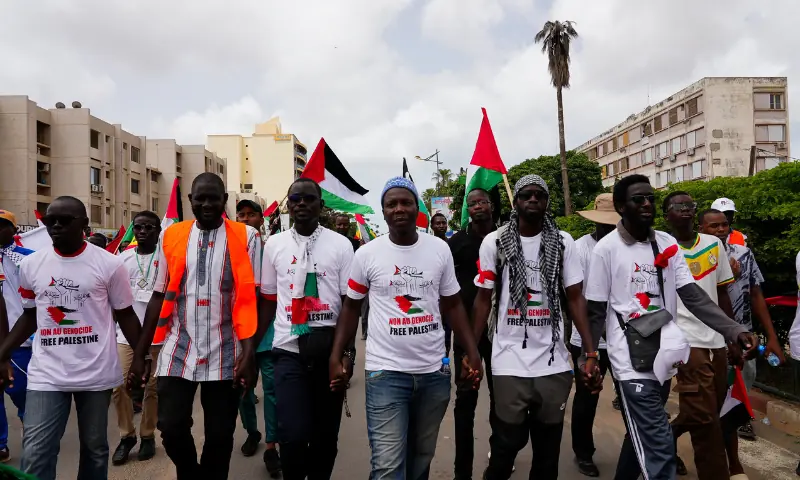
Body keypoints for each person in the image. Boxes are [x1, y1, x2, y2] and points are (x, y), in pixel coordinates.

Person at [584, 175, 757, 480]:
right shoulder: (606, 250)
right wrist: (590, 356)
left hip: (665, 356)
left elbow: (693, 296)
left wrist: (733, 330)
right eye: (639, 199)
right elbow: (596, 310)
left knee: (643, 435)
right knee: (659, 445)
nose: (647, 204)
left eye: (650, 197)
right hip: (629, 361)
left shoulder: (666, 244)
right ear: (622, 206)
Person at [330, 176, 482, 480]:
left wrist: (471, 352)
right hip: (385, 373)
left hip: (433, 374)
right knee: (388, 468)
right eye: (391, 204)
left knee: (420, 459)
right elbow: (350, 306)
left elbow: (452, 305)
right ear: (384, 211)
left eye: (406, 202)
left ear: (416, 208)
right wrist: (338, 353)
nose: (399, 208)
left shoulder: (439, 250)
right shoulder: (367, 254)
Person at [0, 196, 144, 480]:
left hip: (95, 374)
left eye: (64, 221)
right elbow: (30, 316)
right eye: (50, 220)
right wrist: (3, 353)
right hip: (47, 374)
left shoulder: (110, 264)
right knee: (37, 452)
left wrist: (141, 357)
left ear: (84, 225)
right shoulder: (31, 265)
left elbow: (125, 314)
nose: (55, 226)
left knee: (95, 449)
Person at [131, 173, 262, 480]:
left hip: (227, 350)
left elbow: (251, 298)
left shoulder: (248, 237)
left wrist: (249, 352)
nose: (206, 204)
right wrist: (141, 353)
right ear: (189, 200)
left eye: (213, 197)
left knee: (220, 436)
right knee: (171, 427)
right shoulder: (172, 235)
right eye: (199, 198)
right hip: (179, 348)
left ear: (224, 201)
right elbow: (159, 294)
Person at [472, 175, 598, 480]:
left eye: (539, 195)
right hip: (507, 356)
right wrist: (471, 351)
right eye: (526, 195)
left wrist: (590, 351)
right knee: (506, 442)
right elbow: (482, 300)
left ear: (546, 202)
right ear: (515, 202)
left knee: (547, 448)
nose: (532, 200)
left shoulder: (564, 241)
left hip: (552, 360)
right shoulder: (495, 241)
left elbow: (575, 297)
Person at [260, 179, 355, 480]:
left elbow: (349, 305)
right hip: (288, 350)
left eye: (309, 198)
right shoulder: (274, 244)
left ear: (321, 205)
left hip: (329, 349)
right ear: (289, 204)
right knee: (293, 435)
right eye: (296, 198)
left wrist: (345, 353)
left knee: (325, 437)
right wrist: (250, 348)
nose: (302, 203)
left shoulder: (341, 245)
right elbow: (269, 300)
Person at [663, 192, 737, 479]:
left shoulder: (713, 245)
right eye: (677, 206)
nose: (685, 210)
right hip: (684, 339)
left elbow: (721, 293)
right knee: (705, 418)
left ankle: (661, 437)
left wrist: (732, 333)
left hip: (716, 339)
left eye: (689, 205)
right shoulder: (662, 248)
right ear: (666, 213)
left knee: (708, 410)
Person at [700, 207, 784, 441]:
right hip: (710, 338)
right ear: (701, 229)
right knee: (710, 397)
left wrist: (772, 337)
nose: (720, 230)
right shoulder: (695, 257)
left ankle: (739, 423)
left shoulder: (743, 254)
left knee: (741, 388)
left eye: (724, 225)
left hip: (743, 335)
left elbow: (756, 294)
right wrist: (728, 279)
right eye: (713, 226)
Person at [568, 193, 619, 477]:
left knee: (636, 398)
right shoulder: (579, 249)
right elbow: (573, 296)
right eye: (605, 224)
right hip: (588, 339)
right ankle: (583, 453)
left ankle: (649, 449)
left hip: (625, 338)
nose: (610, 229)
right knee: (587, 398)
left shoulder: (627, 246)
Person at [447, 188, 497, 480]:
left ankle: (498, 458)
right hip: (466, 334)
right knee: (466, 401)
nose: (478, 206)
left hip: (503, 333)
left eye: (482, 202)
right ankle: (461, 470)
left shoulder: (505, 240)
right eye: (472, 203)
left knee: (500, 402)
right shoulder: (456, 244)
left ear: (491, 206)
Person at [111, 211, 163, 466]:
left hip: (159, 335)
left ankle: (147, 435)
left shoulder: (166, 258)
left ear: (158, 230)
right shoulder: (123, 259)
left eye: (148, 227)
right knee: (119, 383)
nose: (142, 232)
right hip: (125, 334)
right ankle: (126, 435)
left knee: (152, 388)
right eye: (138, 227)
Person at [235, 199, 282, 476]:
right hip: (240, 334)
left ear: (261, 221)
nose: (246, 219)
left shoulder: (272, 249)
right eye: (241, 215)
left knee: (273, 391)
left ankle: (272, 444)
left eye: (252, 215)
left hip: (269, 333)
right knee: (244, 390)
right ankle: (252, 432)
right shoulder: (230, 249)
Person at [0, 211, 35, 463]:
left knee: (20, 391)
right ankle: (1, 444)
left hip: (19, 339)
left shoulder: (30, 259)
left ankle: (31, 424)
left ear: (13, 230)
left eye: (2, 225)